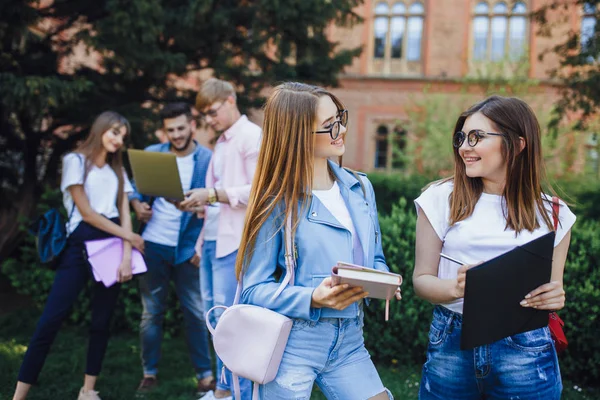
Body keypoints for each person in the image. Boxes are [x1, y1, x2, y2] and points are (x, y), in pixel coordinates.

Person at [234, 82, 400, 399]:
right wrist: (312, 297)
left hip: (351, 339)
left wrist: (383, 281)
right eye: (329, 126)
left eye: (340, 118)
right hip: (292, 342)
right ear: (298, 137)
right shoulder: (276, 203)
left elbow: (374, 257)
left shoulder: (361, 188)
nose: (341, 130)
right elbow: (253, 290)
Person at [413, 95, 576, 400]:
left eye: (476, 137)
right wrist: (457, 287)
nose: (464, 147)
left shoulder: (555, 213)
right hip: (452, 340)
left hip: (526, 347)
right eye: (461, 137)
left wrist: (555, 296)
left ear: (517, 144)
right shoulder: (439, 198)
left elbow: (553, 291)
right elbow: (421, 280)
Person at [12, 111, 144, 400]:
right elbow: (86, 213)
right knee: (50, 320)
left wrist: (126, 254)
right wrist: (130, 237)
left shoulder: (117, 171)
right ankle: (18, 396)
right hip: (81, 242)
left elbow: (124, 213)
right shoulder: (75, 161)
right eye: (114, 132)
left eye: (122, 135)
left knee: (101, 321)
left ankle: (88, 390)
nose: (118, 139)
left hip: (112, 247)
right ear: (100, 130)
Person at [177, 78, 261, 400]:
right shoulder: (223, 142)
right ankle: (223, 389)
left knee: (228, 320)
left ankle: (229, 392)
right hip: (212, 240)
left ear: (230, 100)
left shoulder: (252, 136)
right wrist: (201, 204)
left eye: (212, 112)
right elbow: (216, 199)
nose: (209, 120)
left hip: (235, 242)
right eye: (205, 116)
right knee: (213, 317)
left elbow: (260, 190)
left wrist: (212, 194)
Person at [128, 103, 215, 396]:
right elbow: (135, 190)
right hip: (152, 244)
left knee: (195, 312)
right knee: (151, 313)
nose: (176, 135)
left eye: (181, 128)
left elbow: (216, 207)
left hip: (188, 250)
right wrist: (137, 205)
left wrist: (201, 244)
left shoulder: (207, 159)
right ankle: (148, 373)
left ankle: (205, 376)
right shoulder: (154, 153)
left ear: (192, 125)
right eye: (170, 129)